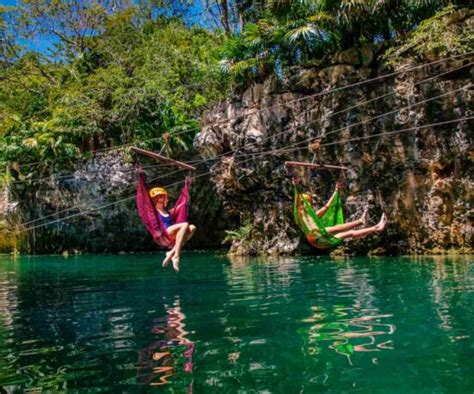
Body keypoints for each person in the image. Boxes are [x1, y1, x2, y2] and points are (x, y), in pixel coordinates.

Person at [295, 178, 387, 246]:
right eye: (304, 202)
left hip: (321, 243)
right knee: (334, 228)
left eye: (309, 203)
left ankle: (376, 228)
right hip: (315, 238)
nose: (307, 205)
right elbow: (297, 201)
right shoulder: (299, 215)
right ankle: (360, 221)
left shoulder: (314, 216)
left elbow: (326, 207)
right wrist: (295, 185)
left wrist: (336, 190)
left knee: (349, 233)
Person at [149, 185, 196, 272]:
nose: (167, 198)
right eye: (164, 197)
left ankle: (171, 252)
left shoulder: (168, 212)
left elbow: (182, 203)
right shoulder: (154, 213)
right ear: (157, 199)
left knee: (192, 227)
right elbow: (145, 206)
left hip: (171, 235)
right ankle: (176, 256)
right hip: (164, 234)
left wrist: (187, 186)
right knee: (185, 224)